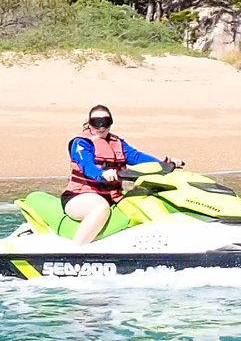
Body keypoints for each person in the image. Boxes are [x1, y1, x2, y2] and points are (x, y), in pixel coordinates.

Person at [64, 105, 180, 244]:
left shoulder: (117, 143)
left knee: (144, 199)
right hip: (79, 197)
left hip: (111, 196)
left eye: (105, 122)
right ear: (89, 123)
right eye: (96, 122)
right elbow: (87, 166)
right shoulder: (81, 143)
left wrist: (165, 164)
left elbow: (136, 157)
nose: (101, 127)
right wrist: (102, 174)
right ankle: (75, 251)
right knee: (100, 207)